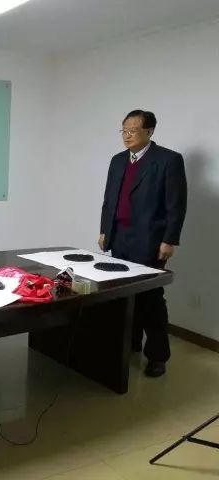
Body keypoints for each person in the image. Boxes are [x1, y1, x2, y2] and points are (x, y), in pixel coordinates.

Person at [99, 110, 187, 378]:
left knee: (150, 298)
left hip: (150, 239)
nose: (127, 135)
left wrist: (169, 240)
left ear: (149, 132)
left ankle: (158, 356)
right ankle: (132, 342)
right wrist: (105, 230)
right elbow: (109, 198)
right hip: (119, 237)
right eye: (124, 130)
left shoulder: (168, 160)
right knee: (124, 294)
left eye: (133, 130)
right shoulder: (118, 160)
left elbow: (176, 204)